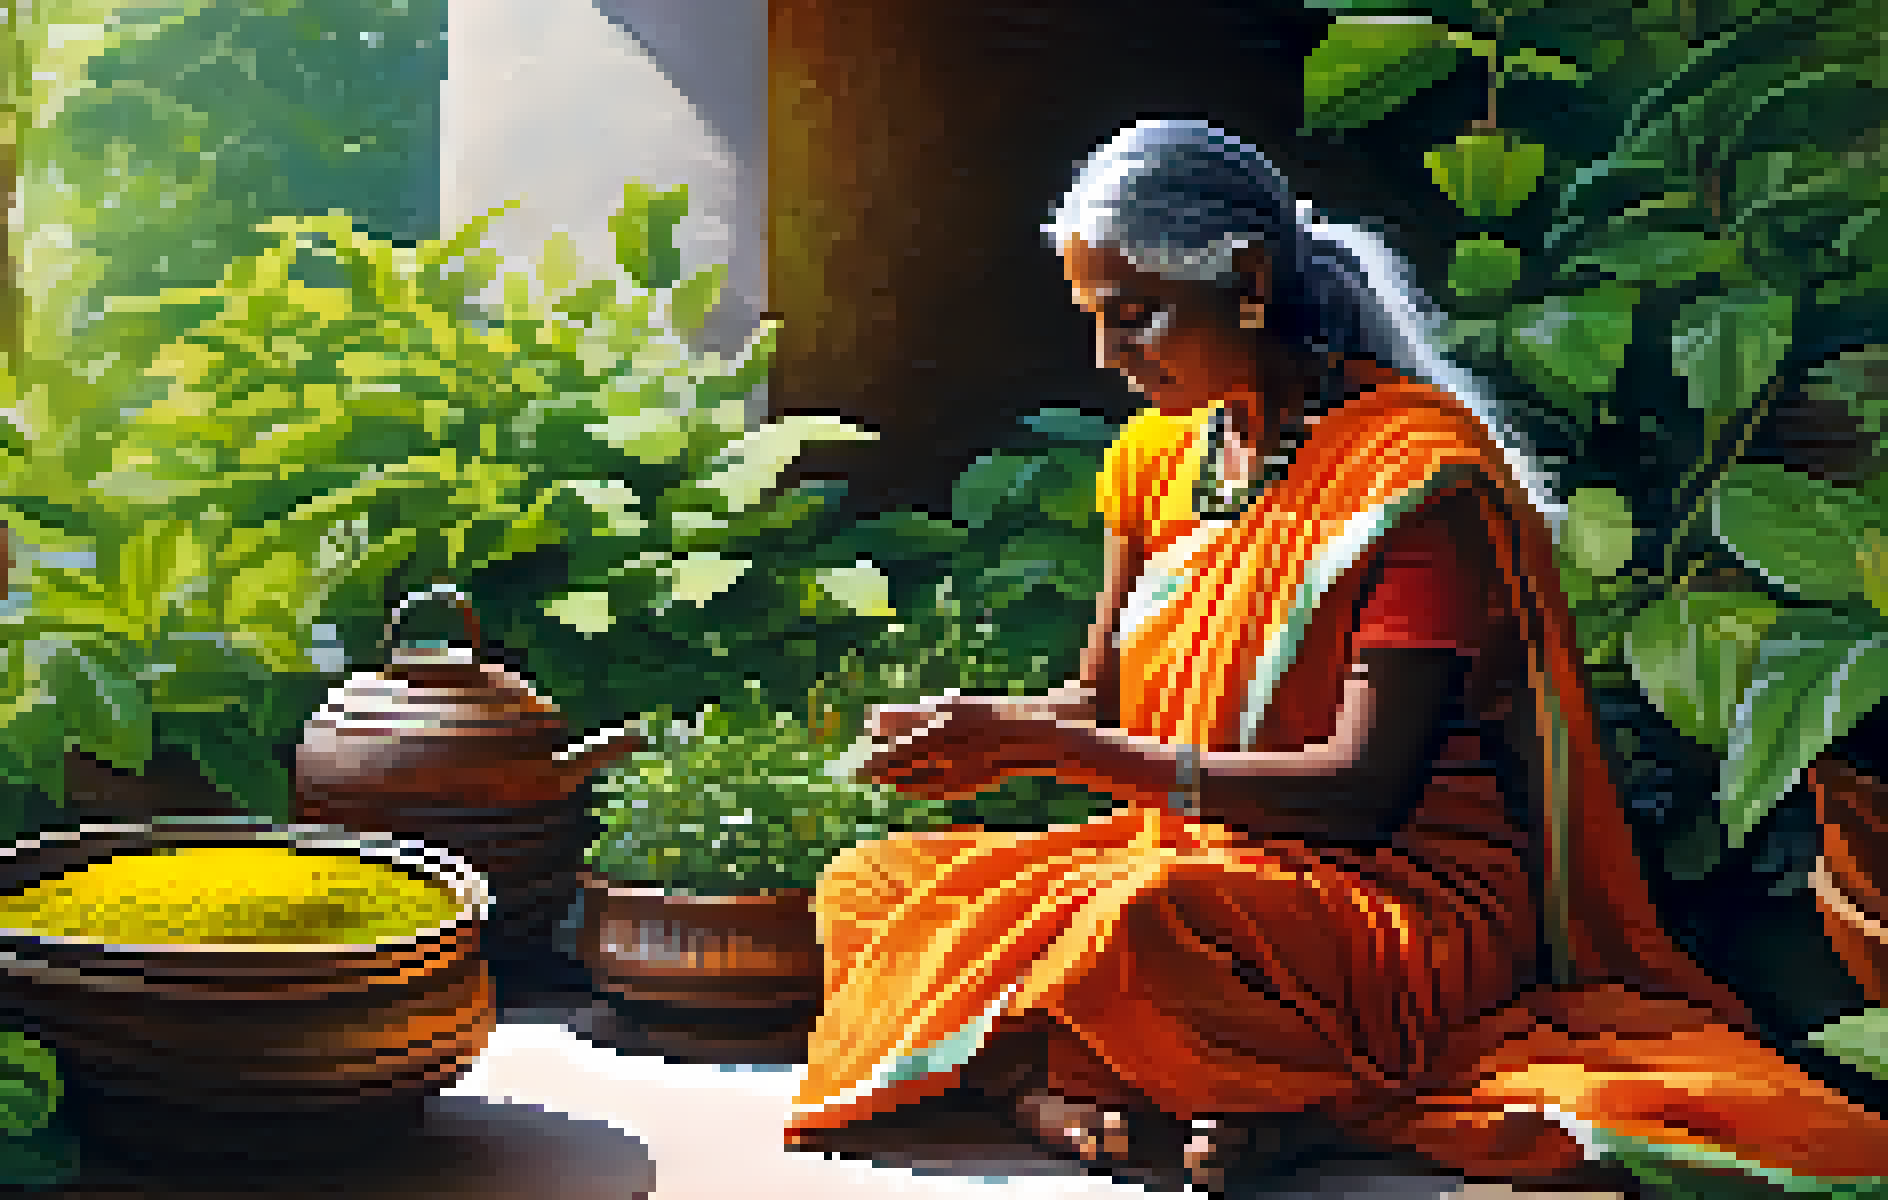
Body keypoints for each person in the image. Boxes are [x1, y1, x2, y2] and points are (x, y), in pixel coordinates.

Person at [785, 119, 1888, 1192]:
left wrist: (1054, 751)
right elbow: (1100, 695)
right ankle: (1125, 1090)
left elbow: (1362, 794)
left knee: (1140, 923)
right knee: (871, 885)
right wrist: (985, 731)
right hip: (1207, 857)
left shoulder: (1409, 483)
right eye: (1095, 320)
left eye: (1136, 319)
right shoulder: (1157, 459)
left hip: (1399, 899)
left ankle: (1169, 1087)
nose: (1108, 358)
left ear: (1250, 279)